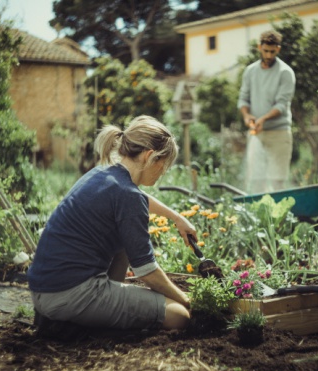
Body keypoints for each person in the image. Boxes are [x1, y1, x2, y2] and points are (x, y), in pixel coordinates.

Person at [28, 115, 195, 338]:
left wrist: (176, 217)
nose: (162, 174)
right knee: (179, 315)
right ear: (149, 157)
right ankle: (84, 324)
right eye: (162, 166)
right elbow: (147, 272)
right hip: (71, 295)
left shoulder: (103, 173)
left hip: (44, 291)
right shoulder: (127, 196)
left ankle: (90, 314)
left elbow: (136, 199)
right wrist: (186, 299)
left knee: (126, 238)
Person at [238, 29, 296, 194]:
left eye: (272, 51)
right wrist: (247, 116)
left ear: (278, 49)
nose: (269, 55)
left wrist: (262, 119)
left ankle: (279, 219)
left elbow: (282, 105)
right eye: (266, 51)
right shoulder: (250, 71)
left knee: (278, 182)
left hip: (279, 133)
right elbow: (243, 99)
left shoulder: (285, 73)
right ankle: (260, 219)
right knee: (256, 182)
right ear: (259, 47)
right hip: (256, 133)